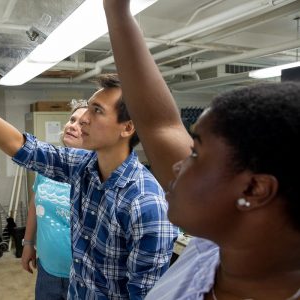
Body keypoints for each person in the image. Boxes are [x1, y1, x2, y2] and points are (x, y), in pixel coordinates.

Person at [103, 1, 300, 299]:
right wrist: (117, 12)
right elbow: (159, 124)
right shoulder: (217, 250)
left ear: (253, 189)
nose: (179, 164)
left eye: (196, 153)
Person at [0, 59, 179, 300]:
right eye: (88, 108)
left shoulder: (145, 204)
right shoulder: (82, 165)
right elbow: (17, 145)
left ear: (128, 127)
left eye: (97, 111)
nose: (84, 119)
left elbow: (146, 295)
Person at [21, 99, 88, 300]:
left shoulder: (94, 174)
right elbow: (35, 204)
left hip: (82, 277)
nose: (73, 126)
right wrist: (28, 243)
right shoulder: (49, 166)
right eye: (72, 120)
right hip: (47, 270)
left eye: (83, 124)